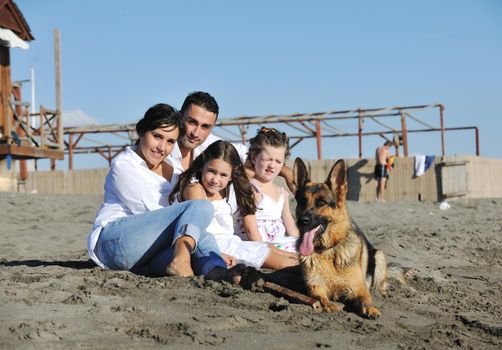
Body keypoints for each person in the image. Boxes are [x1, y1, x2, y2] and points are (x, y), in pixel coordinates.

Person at [87, 103, 241, 282]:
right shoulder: (124, 165)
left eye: (170, 142)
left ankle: (219, 273)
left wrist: (213, 251)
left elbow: (184, 223)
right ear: (142, 131)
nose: (162, 147)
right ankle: (182, 259)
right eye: (157, 136)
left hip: (146, 253)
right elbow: (155, 212)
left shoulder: (173, 167)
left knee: (201, 244)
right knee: (201, 207)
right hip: (115, 243)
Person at [169, 140, 299, 270]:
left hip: (233, 243)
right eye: (211, 171)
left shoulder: (228, 189)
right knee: (283, 263)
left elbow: (254, 168)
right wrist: (218, 254)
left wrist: (285, 171)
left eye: (223, 175)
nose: (215, 180)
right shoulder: (195, 188)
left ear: (231, 176)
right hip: (213, 247)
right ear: (203, 166)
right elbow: (195, 228)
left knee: (290, 256)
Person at [167, 91, 296, 191]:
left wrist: (286, 172)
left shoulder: (209, 145)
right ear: (180, 116)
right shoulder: (160, 148)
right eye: (192, 122)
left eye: (205, 127)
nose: (196, 133)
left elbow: (246, 154)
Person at [236, 127, 299, 252]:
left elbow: (291, 228)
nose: (272, 165)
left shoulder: (282, 193)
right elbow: (250, 231)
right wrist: (265, 252)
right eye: (267, 159)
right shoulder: (250, 189)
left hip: (279, 243)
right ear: (254, 158)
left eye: (278, 161)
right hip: (258, 245)